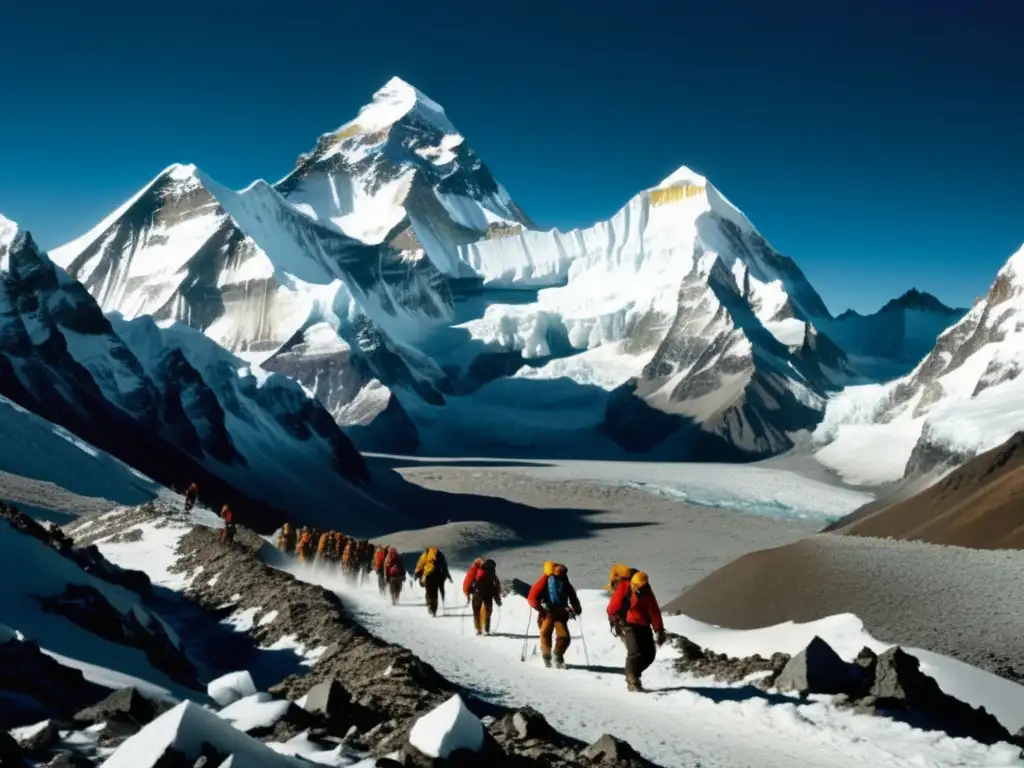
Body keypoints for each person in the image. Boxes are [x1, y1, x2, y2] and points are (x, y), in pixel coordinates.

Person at [606, 570, 666, 691]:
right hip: (626, 623)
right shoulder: (624, 587)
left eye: (638, 586)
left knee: (649, 654)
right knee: (634, 652)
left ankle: (634, 674)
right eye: (634, 585)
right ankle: (632, 680)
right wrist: (614, 618)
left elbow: (654, 611)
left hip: (643, 624)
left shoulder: (647, 593)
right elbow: (613, 605)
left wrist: (659, 629)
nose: (635, 587)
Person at [529, 562, 581, 668]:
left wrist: (539, 608)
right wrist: (576, 608)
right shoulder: (564, 582)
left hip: (550, 614)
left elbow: (532, 597)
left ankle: (550, 657)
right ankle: (555, 657)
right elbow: (572, 596)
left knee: (548, 635)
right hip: (554, 614)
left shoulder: (547, 581)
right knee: (560, 636)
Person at [414, 547, 452, 617]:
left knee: (429, 592)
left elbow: (420, 564)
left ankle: (430, 606)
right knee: (435, 593)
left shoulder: (426, 554)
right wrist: (448, 576)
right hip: (437, 577)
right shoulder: (440, 555)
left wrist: (416, 574)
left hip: (428, 577)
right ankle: (434, 609)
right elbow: (445, 567)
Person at [469, 559, 502, 636]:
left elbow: (472, 581)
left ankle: (478, 629)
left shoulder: (479, 570)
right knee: (488, 611)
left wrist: (470, 590)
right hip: (488, 594)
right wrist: (497, 598)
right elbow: (497, 585)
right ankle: (486, 629)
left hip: (477, 594)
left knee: (476, 611)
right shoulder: (492, 573)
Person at [604, 563, 638, 638]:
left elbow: (613, 606)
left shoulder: (623, 584)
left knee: (612, 612)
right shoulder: (640, 585)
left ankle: (617, 631)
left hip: (628, 618)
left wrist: (610, 614)